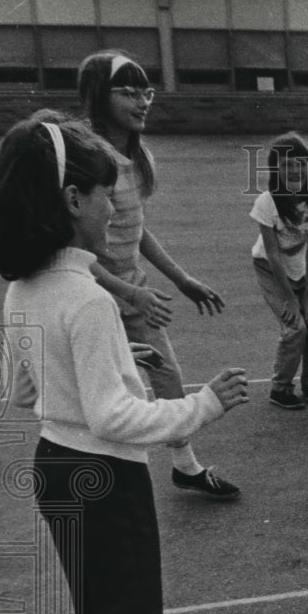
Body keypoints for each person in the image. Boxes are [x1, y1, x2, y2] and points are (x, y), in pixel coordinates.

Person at [0, 112, 250, 614]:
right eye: (106, 193)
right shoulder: (87, 299)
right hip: (105, 482)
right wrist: (203, 405)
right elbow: (112, 418)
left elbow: (25, 393)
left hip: (55, 469)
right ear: (73, 201)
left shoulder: (22, 290)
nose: (116, 206)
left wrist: (109, 359)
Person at [76, 49, 240, 499]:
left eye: (145, 91)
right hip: (92, 297)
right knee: (106, 392)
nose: (142, 101)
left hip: (134, 294)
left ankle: (185, 467)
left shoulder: (139, 155)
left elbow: (137, 230)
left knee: (166, 376)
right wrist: (126, 289)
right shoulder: (88, 158)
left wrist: (180, 279)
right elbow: (72, 253)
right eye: (128, 92)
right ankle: (100, 481)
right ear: (97, 96)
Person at [248, 131, 308, 409]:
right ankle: (280, 388)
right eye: (286, 165)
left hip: (301, 269)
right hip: (270, 269)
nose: (294, 170)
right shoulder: (267, 202)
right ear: (276, 171)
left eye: (299, 163)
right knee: (295, 327)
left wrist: (307, 297)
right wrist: (290, 299)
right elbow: (272, 254)